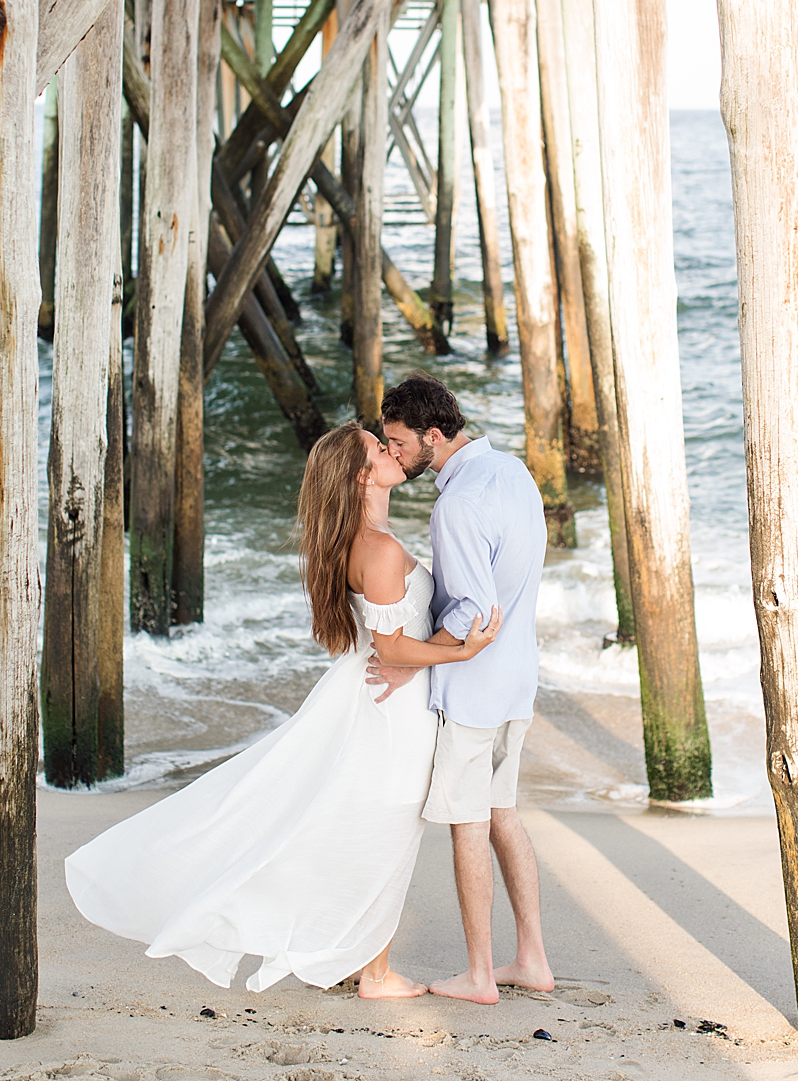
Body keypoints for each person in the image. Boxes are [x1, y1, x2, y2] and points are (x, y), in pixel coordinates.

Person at [65, 420, 498, 998]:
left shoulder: (363, 541)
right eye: (379, 446)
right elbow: (391, 647)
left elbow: (387, 641)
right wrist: (464, 649)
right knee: (387, 827)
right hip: (390, 710)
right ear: (360, 473)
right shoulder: (380, 549)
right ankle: (375, 973)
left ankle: (354, 956)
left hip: (374, 697)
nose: (392, 450)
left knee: (352, 820)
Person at [376, 373, 555, 1003]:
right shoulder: (512, 472)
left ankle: (481, 974)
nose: (391, 453)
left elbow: (472, 611)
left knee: (468, 825)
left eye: (397, 443)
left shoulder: (455, 503)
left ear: (431, 435)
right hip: (517, 681)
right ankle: (531, 957)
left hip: (475, 689)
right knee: (502, 814)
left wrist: (411, 660)